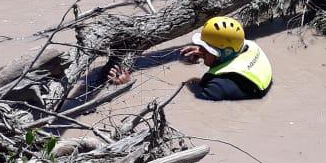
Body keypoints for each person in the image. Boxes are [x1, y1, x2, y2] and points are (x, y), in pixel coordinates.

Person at [108, 16, 272, 101]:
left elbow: (175, 101)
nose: (201, 50)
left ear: (221, 54)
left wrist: (129, 86)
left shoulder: (216, 87)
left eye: (206, 48)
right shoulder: (247, 46)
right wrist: (206, 53)